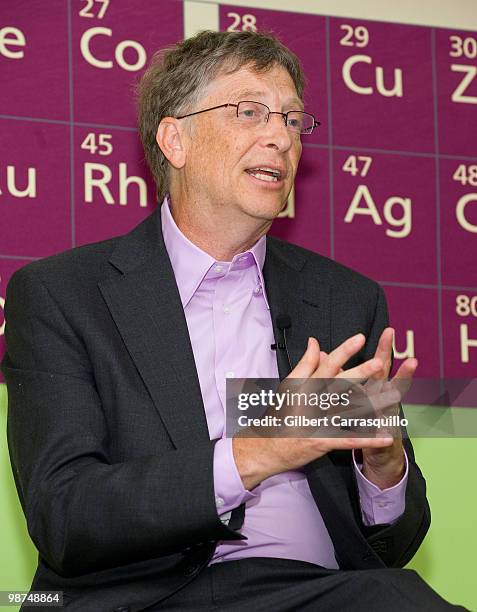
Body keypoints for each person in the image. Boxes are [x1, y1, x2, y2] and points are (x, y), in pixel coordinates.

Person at [1, 30, 466, 612]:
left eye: (293, 120)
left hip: (318, 592)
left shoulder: (344, 299)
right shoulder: (63, 296)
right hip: (136, 597)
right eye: (250, 112)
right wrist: (254, 454)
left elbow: (391, 545)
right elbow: (65, 515)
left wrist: (384, 467)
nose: (280, 137)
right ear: (175, 139)